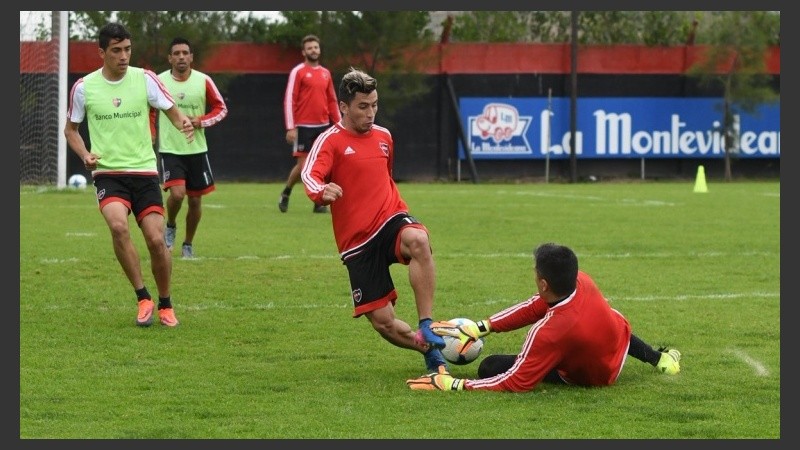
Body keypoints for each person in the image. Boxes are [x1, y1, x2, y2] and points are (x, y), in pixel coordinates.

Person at [301, 67, 448, 372]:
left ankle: (427, 323)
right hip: (357, 242)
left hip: (389, 219)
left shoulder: (384, 136)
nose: (371, 113)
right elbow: (310, 175)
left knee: (418, 240)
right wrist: (321, 191)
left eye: (375, 105)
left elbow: (386, 175)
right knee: (384, 322)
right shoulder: (329, 140)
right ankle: (429, 350)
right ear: (344, 107)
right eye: (363, 107)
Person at [406, 242, 682, 391]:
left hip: (594, 376)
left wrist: (454, 384)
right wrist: (481, 327)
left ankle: (657, 359)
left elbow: (517, 381)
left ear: (544, 284)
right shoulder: (582, 281)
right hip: (616, 343)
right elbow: (534, 307)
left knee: (490, 366)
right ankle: (661, 360)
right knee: (610, 318)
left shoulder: (549, 332)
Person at [64, 22, 195, 327]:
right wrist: (85, 155)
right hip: (108, 173)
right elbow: (71, 130)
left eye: (127, 49)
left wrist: (184, 123)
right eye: (116, 50)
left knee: (156, 240)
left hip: (145, 172)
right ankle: (143, 297)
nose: (123, 56)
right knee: (118, 226)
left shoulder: (145, 79)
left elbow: (172, 111)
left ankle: (165, 303)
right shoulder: (84, 87)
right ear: (102, 53)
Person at [155, 37, 228, 259]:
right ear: (169, 58)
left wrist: (201, 121)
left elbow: (221, 109)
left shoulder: (203, 80)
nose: (181, 57)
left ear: (191, 57)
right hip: (170, 149)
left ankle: (188, 243)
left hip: (196, 149)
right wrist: (150, 133)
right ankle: (170, 224)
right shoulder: (158, 81)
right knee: (177, 195)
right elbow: (148, 108)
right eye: (176, 53)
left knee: (195, 200)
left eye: (185, 53)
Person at [278, 34, 341, 214]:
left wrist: (339, 124)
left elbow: (332, 100)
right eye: (310, 48)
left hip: (323, 126)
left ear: (319, 50)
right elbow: (289, 99)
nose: (313, 50)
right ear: (304, 52)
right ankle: (286, 192)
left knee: (323, 165)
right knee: (303, 167)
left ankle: (318, 202)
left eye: (316, 47)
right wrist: (291, 127)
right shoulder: (298, 72)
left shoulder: (325, 73)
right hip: (304, 127)